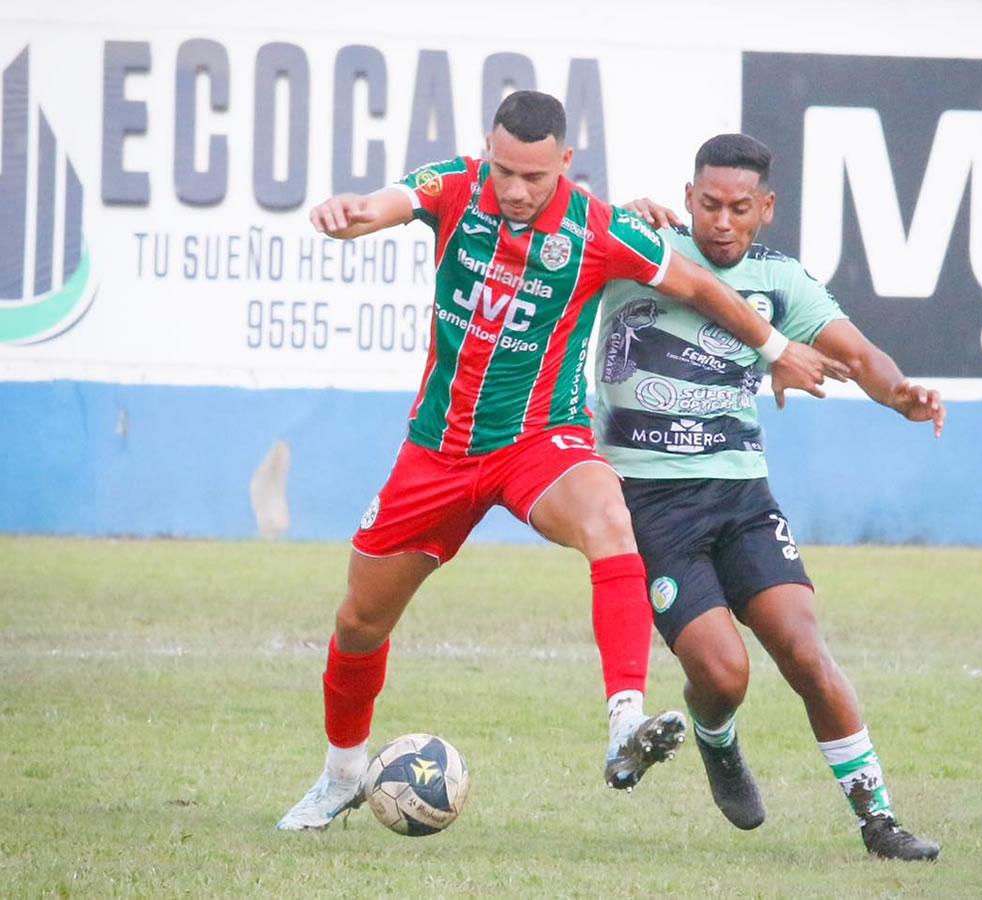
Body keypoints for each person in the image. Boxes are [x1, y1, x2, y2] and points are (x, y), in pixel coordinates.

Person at [277, 95, 851, 831]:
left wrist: (775, 349)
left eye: (533, 177)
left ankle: (624, 719)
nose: (515, 190)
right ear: (488, 154)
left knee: (610, 518)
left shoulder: (597, 229)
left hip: (538, 442)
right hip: (438, 450)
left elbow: (701, 285)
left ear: (565, 165)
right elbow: (390, 200)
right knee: (358, 621)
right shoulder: (457, 186)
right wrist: (353, 211)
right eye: (505, 171)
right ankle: (342, 774)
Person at [594, 133, 943, 860]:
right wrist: (618, 211)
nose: (722, 221)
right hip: (653, 505)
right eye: (710, 204)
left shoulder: (779, 279)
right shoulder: (639, 248)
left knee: (806, 652)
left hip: (743, 497)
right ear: (689, 198)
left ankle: (878, 820)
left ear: (766, 209)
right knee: (724, 676)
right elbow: (574, 235)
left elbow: (857, 352)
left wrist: (898, 390)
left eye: (739, 208)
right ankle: (717, 737)